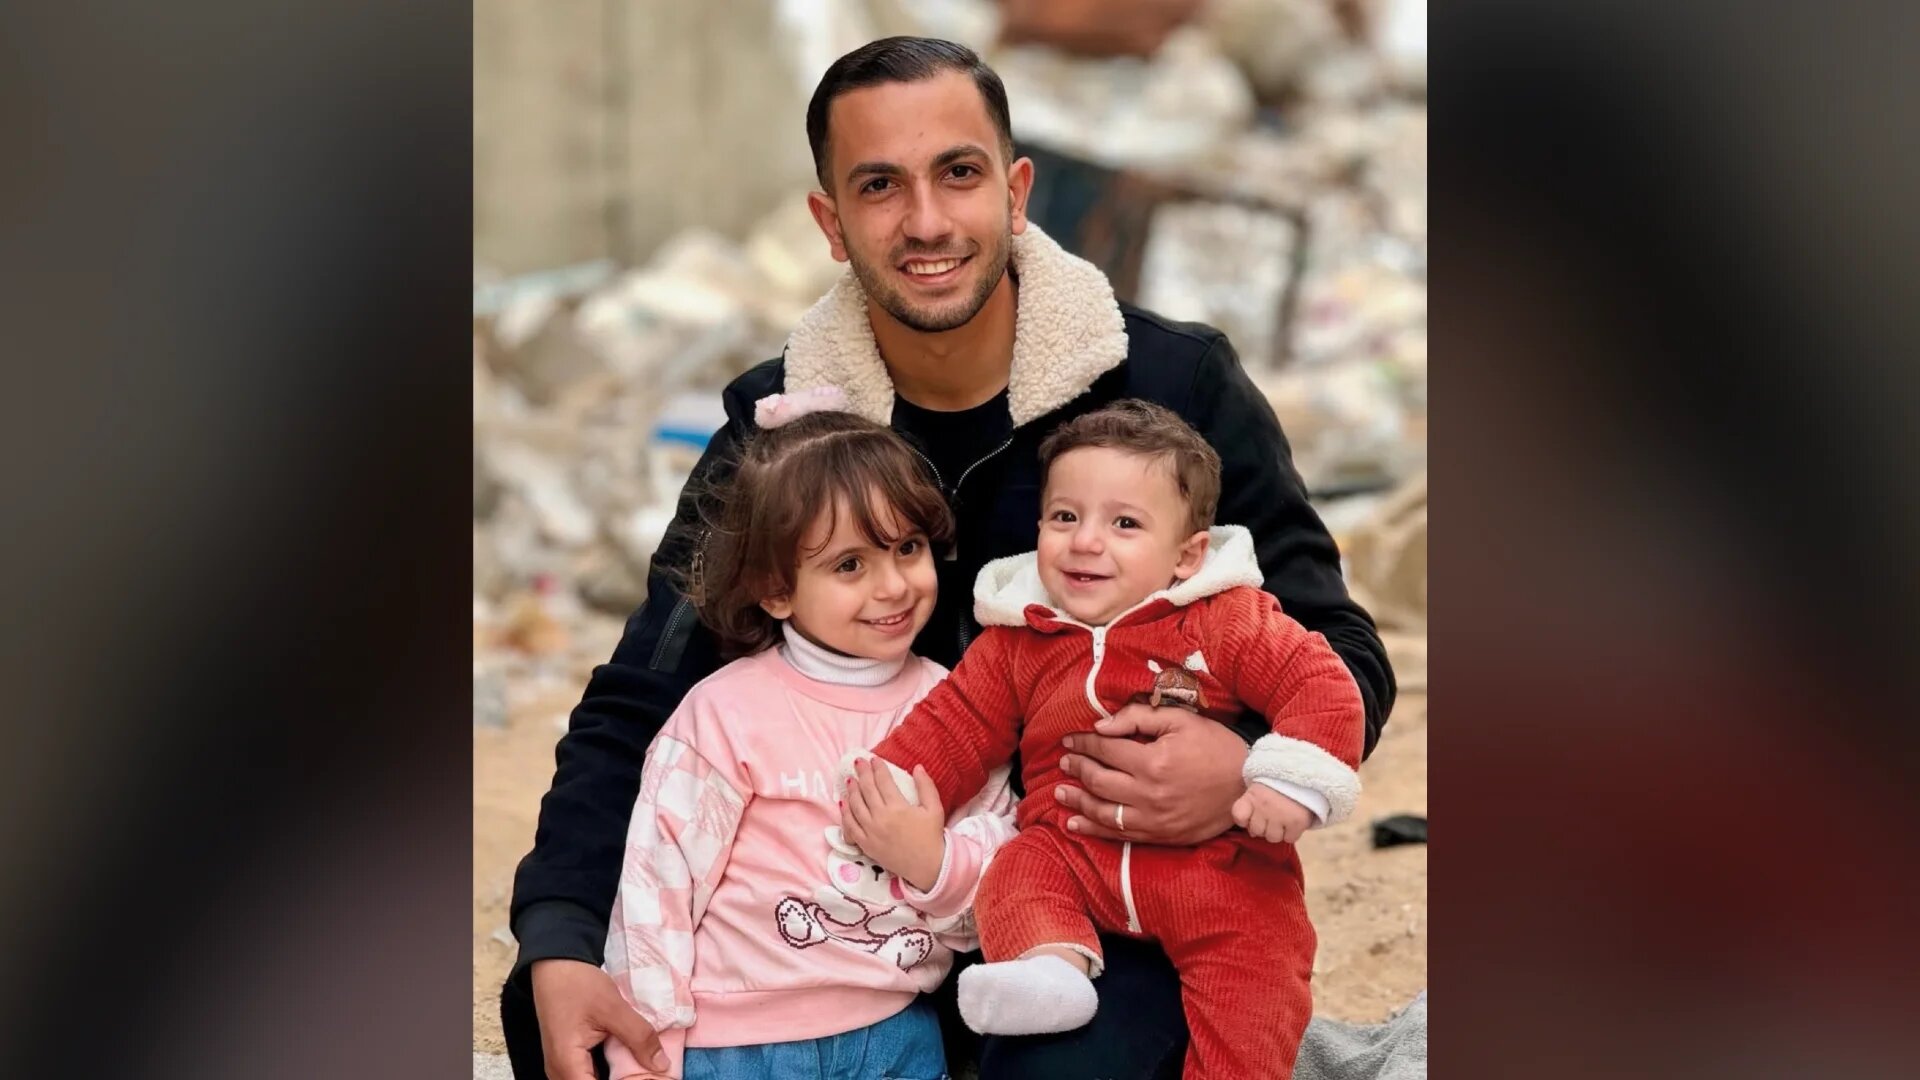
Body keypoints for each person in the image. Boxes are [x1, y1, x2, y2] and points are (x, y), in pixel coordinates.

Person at [504, 35, 1395, 1080]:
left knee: (1066, 1062)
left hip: (1097, 898)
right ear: (830, 224)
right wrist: (558, 939)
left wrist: (1237, 760)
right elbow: (640, 700)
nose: (926, 223)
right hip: (824, 924)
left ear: (1016, 191)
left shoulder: (1169, 387)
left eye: (958, 174)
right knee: (559, 1032)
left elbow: (1337, 645)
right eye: (880, 186)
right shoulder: (784, 429)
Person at [852, 400, 1361, 1078]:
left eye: (1124, 523)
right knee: (1019, 869)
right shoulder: (1020, 638)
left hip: (1216, 872)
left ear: (1187, 556)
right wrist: (892, 784)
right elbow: (959, 720)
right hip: (1076, 852)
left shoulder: (1224, 620)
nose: (1086, 541)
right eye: (1066, 517)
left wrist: (1287, 779)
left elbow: (1319, 683)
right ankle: (1048, 966)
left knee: (1256, 977)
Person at [598, 392, 1016, 1080]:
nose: (893, 587)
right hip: (734, 1047)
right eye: (850, 565)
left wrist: (934, 861)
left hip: (897, 1039)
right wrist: (646, 1059)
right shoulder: (726, 714)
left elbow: (1001, 868)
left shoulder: (958, 703)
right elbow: (655, 892)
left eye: (907, 548)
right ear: (776, 589)